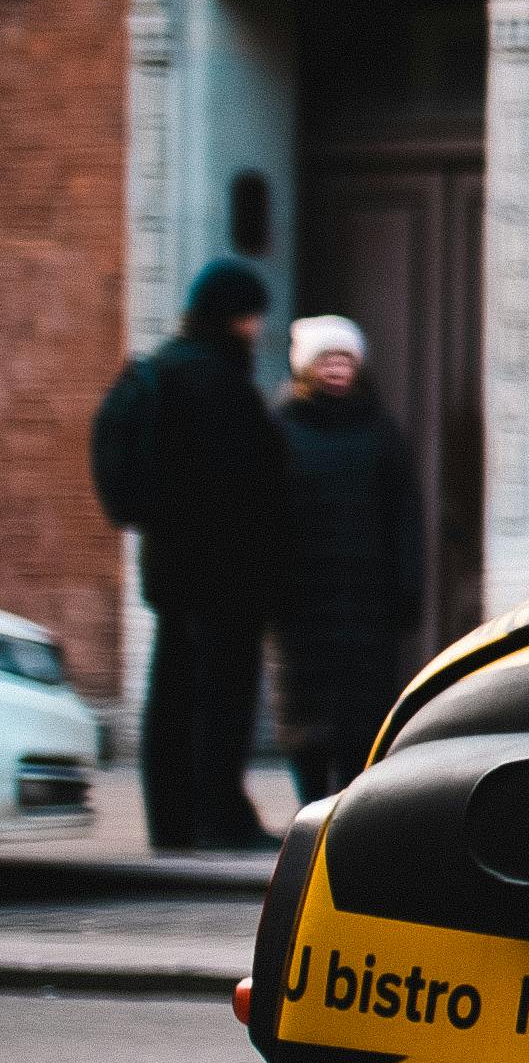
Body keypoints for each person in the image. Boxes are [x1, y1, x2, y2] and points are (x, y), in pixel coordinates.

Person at [89, 258, 289, 852]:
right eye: (252, 314)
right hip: (228, 569)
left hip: (173, 567)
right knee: (223, 697)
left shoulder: (162, 372)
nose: (257, 326)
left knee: (173, 691)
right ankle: (221, 815)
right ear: (236, 315)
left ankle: (171, 820)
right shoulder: (220, 380)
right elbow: (249, 479)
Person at [274, 313, 424, 806]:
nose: (336, 369)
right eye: (326, 360)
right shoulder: (281, 429)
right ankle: (310, 801)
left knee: (362, 711)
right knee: (306, 708)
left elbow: (405, 515)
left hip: (367, 597)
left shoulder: (381, 433)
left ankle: (352, 804)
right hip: (302, 594)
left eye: (345, 360)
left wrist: (407, 585)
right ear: (305, 368)